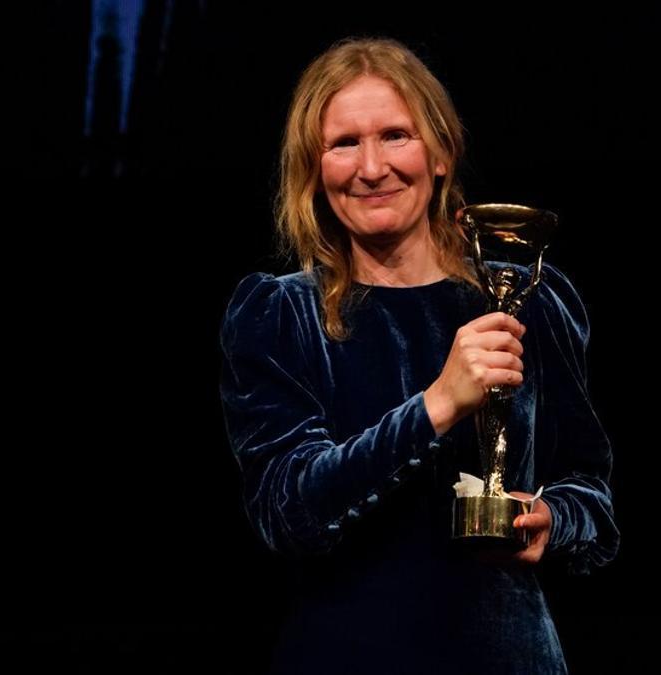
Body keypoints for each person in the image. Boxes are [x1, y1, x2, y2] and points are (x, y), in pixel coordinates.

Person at [219, 37, 618, 674]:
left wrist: (551, 518)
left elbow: (591, 492)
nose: (372, 167)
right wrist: (436, 404)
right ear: (313, 169)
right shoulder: (281, 314)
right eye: (344, 143)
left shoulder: (527, 299)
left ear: (440, 153)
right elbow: (286, 513)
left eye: (396, 136)